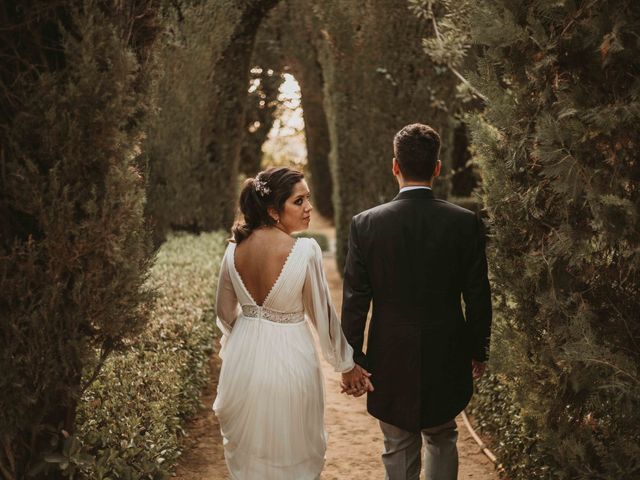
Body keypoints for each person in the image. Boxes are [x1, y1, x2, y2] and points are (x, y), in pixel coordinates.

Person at [341, 123, 492, 480]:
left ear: (395, 166)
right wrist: (478, 348)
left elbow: (355, 298)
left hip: (389, 352)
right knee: (442, 435)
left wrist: (353, 358)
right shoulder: (465, 222)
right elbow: (477, 294)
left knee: (397, 441)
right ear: (437, 168)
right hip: (448, 349)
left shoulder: (365, 224)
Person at [213, 166, 372, 480]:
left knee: (253, 451)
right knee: (293, 445)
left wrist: (245, 336)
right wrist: (346, 364)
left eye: (308, 199)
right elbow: (322, 315)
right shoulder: (305, 250)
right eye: (299, 201)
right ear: (274, 211)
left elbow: (223, 311)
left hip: (242, 361)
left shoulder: (233, 250)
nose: (309, 208)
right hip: (291, 357)